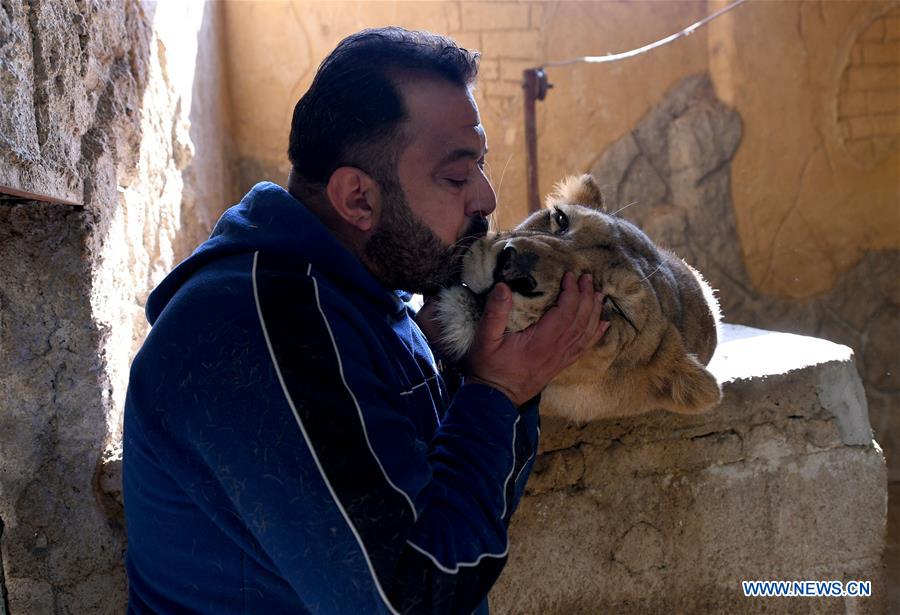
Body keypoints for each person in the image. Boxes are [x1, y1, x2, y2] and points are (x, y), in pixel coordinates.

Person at [123, 27, 608, 614]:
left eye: (480, 166)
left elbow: (437, 498)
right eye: (456, 176)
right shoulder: (258, 327)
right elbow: (410, 596)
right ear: (357, 199)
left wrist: (482, 375)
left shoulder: (370, 296)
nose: (484, 198)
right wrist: (499, 393)